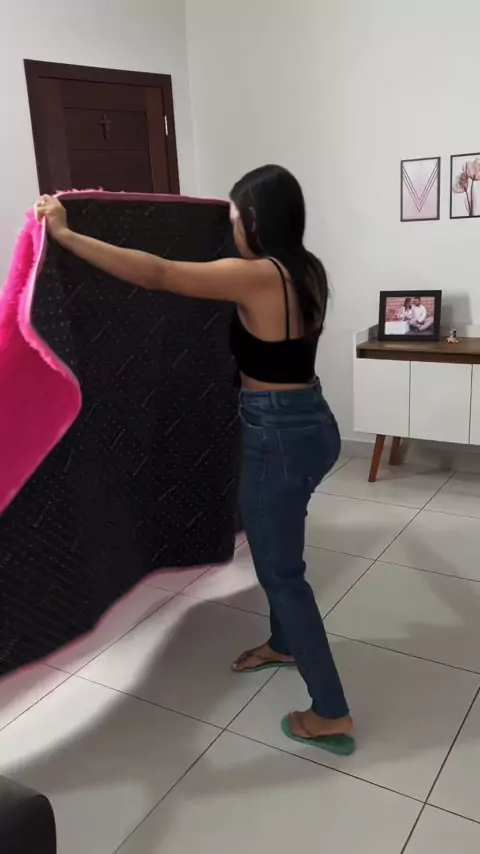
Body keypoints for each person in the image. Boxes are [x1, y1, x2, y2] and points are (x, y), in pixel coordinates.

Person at [35, 165, 354, 755]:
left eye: (233, 220)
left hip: (278, 439)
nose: (229, 231)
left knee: (283, 575)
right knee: (279, 550)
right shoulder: (307, 269)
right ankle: (285, 644)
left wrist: (68, 236)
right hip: (313, 424)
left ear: (255, 221)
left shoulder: (256, 276)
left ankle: (331, 713)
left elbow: (158, 273)